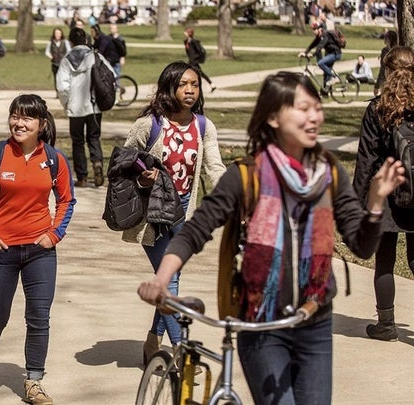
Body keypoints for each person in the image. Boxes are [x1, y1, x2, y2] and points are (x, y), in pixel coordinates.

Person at [138, 71, 405, 405]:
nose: (315, 116)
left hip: (314, 320)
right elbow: (197, 229)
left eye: (316, 108)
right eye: (303, 108)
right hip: (261, 324)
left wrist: (376, 204)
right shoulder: (246, 175)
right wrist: (163, 277)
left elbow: (362, 245)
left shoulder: (329, 172)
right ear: (274, 117)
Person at [0, 94, 75, 405]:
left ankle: (34, 380)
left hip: (40, 252)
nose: (18, 123)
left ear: (41, 125)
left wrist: (55, 234)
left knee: (39, 317)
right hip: (0, 253)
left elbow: (66, 200)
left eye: (27, 118)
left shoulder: (55, 159)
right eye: (14, 116)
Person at [124, 61, 225, 364]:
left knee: (169, 278)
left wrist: (235, 198)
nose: (190, 90)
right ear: (170, 87)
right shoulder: (150, 124)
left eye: (194, 84)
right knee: (170, 283)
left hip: (183, 213)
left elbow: (215, 167)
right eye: (183, 84)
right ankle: (183, 352)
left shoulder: (203, 126)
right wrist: (142, 176)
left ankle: (153, 341)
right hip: (152, 215)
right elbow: (124, 161)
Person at [353, 46, 414, 342]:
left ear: (387, 71)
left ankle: (386, 324)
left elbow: (365, 162)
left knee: (385, 260)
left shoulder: (377, 110)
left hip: (387, 195)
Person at [56, 27, 113, 188]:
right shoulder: (95, 56)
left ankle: (81, 177)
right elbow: (110, 76)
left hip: (75, 107)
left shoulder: (66, 59)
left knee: (78, 141)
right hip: (94, 106)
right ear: (86, 40)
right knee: (94, 138)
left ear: (70, 41)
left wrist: (66, 103)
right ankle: (97, 162)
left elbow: (62, 86)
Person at [299, 22, 343, 90]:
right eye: (313, 29)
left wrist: (312, 55)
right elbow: (312, 45)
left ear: (319, 29)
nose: (313, 31)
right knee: (326, 73)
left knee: (320, 63)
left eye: (314, 29)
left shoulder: (325, 35)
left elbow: (319, 47)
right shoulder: (319, 36)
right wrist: (305, 53)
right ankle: (326, 90)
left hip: (335, 54)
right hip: (330, 54)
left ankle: (335, 77)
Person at [183, 28, 215, 92]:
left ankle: (195, 88)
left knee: (186, 72)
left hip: (194, 61)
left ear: (189, 34)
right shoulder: (186, 41)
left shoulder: (194, 42)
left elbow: (199, 51)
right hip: (191, 61)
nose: (184, 33)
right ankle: (212, 84)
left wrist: (196, 58)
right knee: (200, 73)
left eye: (186, 32)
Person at [44, 27, 70, 95]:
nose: (57, 35)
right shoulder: (51, 42)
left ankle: (64, 92)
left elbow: (69, 51)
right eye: (56, 33)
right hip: (55, 63)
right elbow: (47, 52)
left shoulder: (65, 42)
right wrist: (51, 57)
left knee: (63, 78)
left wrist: (65, 58)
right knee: (56, 78)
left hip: (63, 64)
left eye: (59, 33)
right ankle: (57, 92)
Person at [373, 30, 397, 96]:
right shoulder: (397, 50)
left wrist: (377, 86)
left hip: (391, 80)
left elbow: (382, 69)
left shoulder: (392, 51)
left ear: (388, 39)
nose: (384, 40)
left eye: (385, 38)